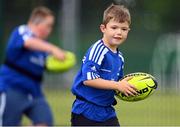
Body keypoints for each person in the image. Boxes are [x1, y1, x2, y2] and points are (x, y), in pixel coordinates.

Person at [71, 4, 138, 126]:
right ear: (103, 28)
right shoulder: (98, 50)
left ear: (128, 31)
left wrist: (128, 87)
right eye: (114, 27)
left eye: (123, 29)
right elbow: (89, 80)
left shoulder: (120, 57)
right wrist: (118, 85)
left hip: (107, 111)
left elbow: (115, 85)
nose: (119, 32)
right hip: (86, 110)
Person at [0, 6, 65, 126]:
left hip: (34, 92)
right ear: (37, 23)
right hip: (12, 88)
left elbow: (46, 65)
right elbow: (28, 42)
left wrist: (62, 63)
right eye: (48, 25)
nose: (49, 30)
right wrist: (54, 49)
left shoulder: (43, 46)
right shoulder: (22, 31)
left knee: (44, 122)